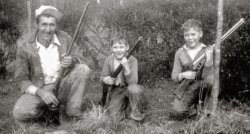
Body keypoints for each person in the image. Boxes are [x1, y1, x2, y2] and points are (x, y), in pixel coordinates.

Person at [13, 5, 91, 123]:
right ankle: (46, 111)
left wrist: (72, 60)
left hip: (63, 86)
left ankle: (72, 113)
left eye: (52, 24)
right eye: (44, 24)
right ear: (37, 25)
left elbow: (83, 60)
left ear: (56, 25)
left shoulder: (65, 38)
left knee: (83, 69)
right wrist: (41, 92)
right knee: (19, 113)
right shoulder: (25, 45)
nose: (48, 29)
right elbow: (20, 79)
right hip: (40, 89)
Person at [170, 19, 214, 119]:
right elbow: (174, 76)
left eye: (193, 34)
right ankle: (194, 109)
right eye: (187, 35)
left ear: (200, 34)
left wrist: (209, 60)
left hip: (204, 86)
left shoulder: (207, 50)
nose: (190, 38)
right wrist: (183, 75)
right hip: (187, 87)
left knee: (209, 82)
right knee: (177, 113)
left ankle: (204, 106)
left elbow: (209, 77)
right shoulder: (180, 53)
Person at [100, 34, 145, 122]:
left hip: (130, 88)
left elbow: (133, 82)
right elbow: (102, 77)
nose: (118, 50)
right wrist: (106, 79)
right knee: (114, 117)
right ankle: (128, 107)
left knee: (134, 89)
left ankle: (137, 117)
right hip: (117, 90)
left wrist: (127, 67)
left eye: (121, 47)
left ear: (127, 47)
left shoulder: (132, 60)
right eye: (115, 47)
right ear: (111, 48)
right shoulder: (109, 60)